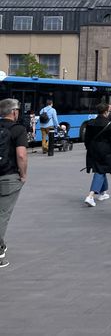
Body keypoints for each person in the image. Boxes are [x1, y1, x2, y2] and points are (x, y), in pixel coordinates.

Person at [0, 98, 28, 268]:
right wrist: (23, 175)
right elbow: (21, 155)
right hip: (8, 177)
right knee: (3, 215)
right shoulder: (18, 129)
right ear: (14, 112)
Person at [83, 103, 111, 207]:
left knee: (101, 169)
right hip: (105, 150)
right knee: (100, 171)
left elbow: (86, 138)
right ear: (106, 112)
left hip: (93, 149)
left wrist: (88, 147)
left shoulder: (90, 123)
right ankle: (90, 196)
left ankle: (103, 192)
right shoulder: (109, 124)